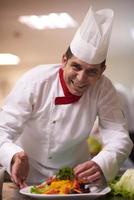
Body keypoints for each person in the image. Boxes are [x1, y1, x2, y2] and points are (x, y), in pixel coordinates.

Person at [0, 7, 133, 189]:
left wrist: (102, 163)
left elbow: (119, 136)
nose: (81, 78)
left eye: (92, 71)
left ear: (102, 71)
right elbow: (2, 129)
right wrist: (14, 155)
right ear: (64, 60)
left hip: (76, 179)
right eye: (76, 67)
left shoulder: (104, 88)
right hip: (27, 176)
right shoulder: (34, 81)